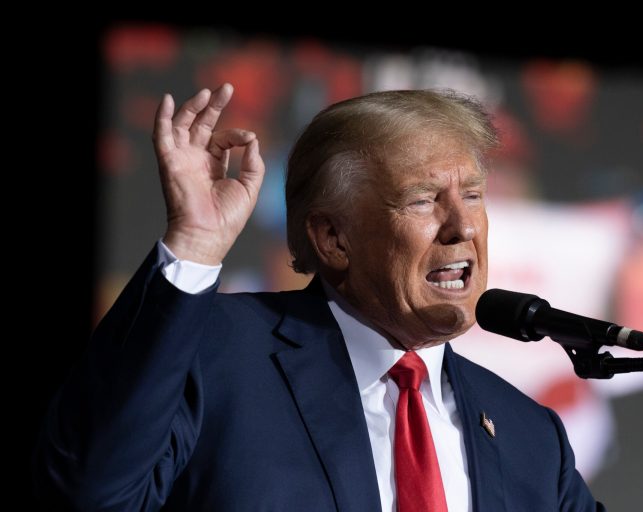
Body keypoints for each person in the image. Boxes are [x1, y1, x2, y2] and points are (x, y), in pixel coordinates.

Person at [34, 83, 605, 511]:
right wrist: (195, 245)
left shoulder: (531, 436)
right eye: (423, 200)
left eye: (473, 195)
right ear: (332, 238)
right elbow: (92, 491)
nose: (464, 227)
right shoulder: (216, 354)